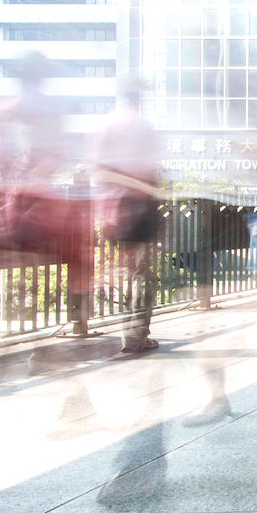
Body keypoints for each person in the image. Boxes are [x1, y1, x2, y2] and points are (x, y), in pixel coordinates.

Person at [92, 76, 161, 354]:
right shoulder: (142, 126)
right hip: (139, 209)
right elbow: (152, 170)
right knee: (141, 274)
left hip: (112, 210)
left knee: (125, 272)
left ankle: (127, 333)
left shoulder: (106, 125)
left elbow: (97, 168)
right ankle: (135, 336)